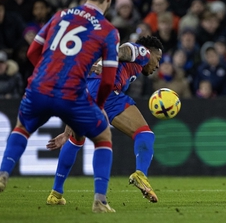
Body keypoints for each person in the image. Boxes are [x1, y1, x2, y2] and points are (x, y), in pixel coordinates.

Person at [0, 0, 120, 213]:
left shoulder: (60, 15)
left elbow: (31, 53)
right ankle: (100, 200)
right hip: (72, 93)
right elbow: (108, 80)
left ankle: (2, 175)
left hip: (39, 87)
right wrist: (98, 105)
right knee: (103, 138)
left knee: (21, 127)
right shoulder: (108, 30)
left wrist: (47, 72)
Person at [45, 35, 163, 205]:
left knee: (75, 139)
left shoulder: (132, 68)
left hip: (86, 91)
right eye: (157, 59)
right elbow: (124, 50)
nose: (157, 65)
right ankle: (140, 174)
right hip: (105, 92)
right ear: (150, 52)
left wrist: (65, 131)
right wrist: (105, 62)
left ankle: (55, 194)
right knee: (144, 133)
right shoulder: (142, 52)